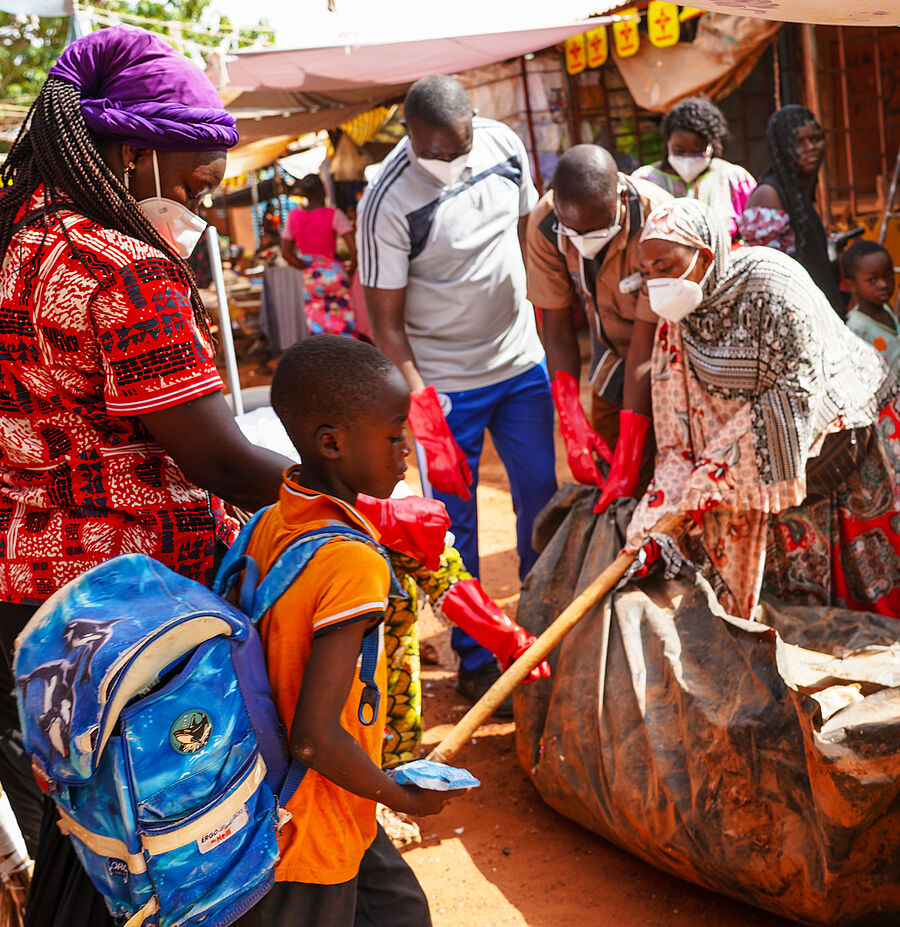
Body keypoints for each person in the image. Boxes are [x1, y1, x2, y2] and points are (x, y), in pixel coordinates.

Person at [0, 26, 294, 927]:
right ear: (135, 154)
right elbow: (213, 456)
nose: (206, 201)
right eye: (198, 179)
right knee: (174, 837)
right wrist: (338, 509)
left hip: (30, 598)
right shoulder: (122, 266)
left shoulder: (17, 243)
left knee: (92, 835)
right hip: (131, 618)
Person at [233, 335, 461, 927]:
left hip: (298, 794)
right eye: (392, 435)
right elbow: (313, 736)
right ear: (331, 442)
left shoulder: (268, 522)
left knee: (400, 913)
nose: (405, 449)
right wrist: (402, 797)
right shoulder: (352, 560)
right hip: (309, 818)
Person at [357, 75, 557, 707]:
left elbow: (534, 242)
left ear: (476, 120)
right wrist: (422, 408)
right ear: (408, 136)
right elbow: (383, 324)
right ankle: (478, 656)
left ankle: (546, 628)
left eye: (459, 147)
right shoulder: (386, 202)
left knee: (542, 500)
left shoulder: (503, 146)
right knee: (452, 527)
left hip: (520, 362)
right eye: (434, 152)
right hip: (445, 387)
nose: (449, 161)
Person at [625, 199, 900, 621]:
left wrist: (713, 473)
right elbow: (674, 433)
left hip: (845, 428)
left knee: (870, 571)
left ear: (706, 255)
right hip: (765, 456)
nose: (655, 285)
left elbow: (794, 392)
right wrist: (649, 525)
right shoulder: (677, 320)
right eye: (646, 275)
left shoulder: (771, 285)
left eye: (664, 268)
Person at [526, 145, 670, 512]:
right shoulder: (545, 224)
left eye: (597, 228)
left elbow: (645, 346)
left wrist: (633, 444)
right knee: (609, 478)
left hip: (667, 356)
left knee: (661, 474)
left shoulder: (658, 219)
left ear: (619, 197)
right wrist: (571, 417)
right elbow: (556, 326)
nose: (583, 240)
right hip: (609, 357)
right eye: (573, 231)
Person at [738, 105, 844, 313]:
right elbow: (768, 274)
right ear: (782, 148)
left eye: (815, 139)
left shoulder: (799, 190)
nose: (810, 147)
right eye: (798, 143)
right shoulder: (769, 195)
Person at [632, 96, 755, 241]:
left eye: (698, 152)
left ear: (712, 146)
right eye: (679, 151)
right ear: (667, 143)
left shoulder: (734, 178)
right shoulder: (643, 182)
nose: (688, 159)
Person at [281, 174, 357, 336]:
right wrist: (350, 271)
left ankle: (324, 358)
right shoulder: (334, 214)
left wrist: (304, 265)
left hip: (312, 277)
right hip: (336, 274)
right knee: (343, 324)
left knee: (318, 326)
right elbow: (353, 248)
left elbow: (285, 252)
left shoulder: (293, 217)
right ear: (324, 191)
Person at [841, 240, 900, 369]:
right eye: (872, 280)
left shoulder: (885, 308)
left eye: (888, 276)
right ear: (852, 285)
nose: (884, 284)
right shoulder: (857, 328)